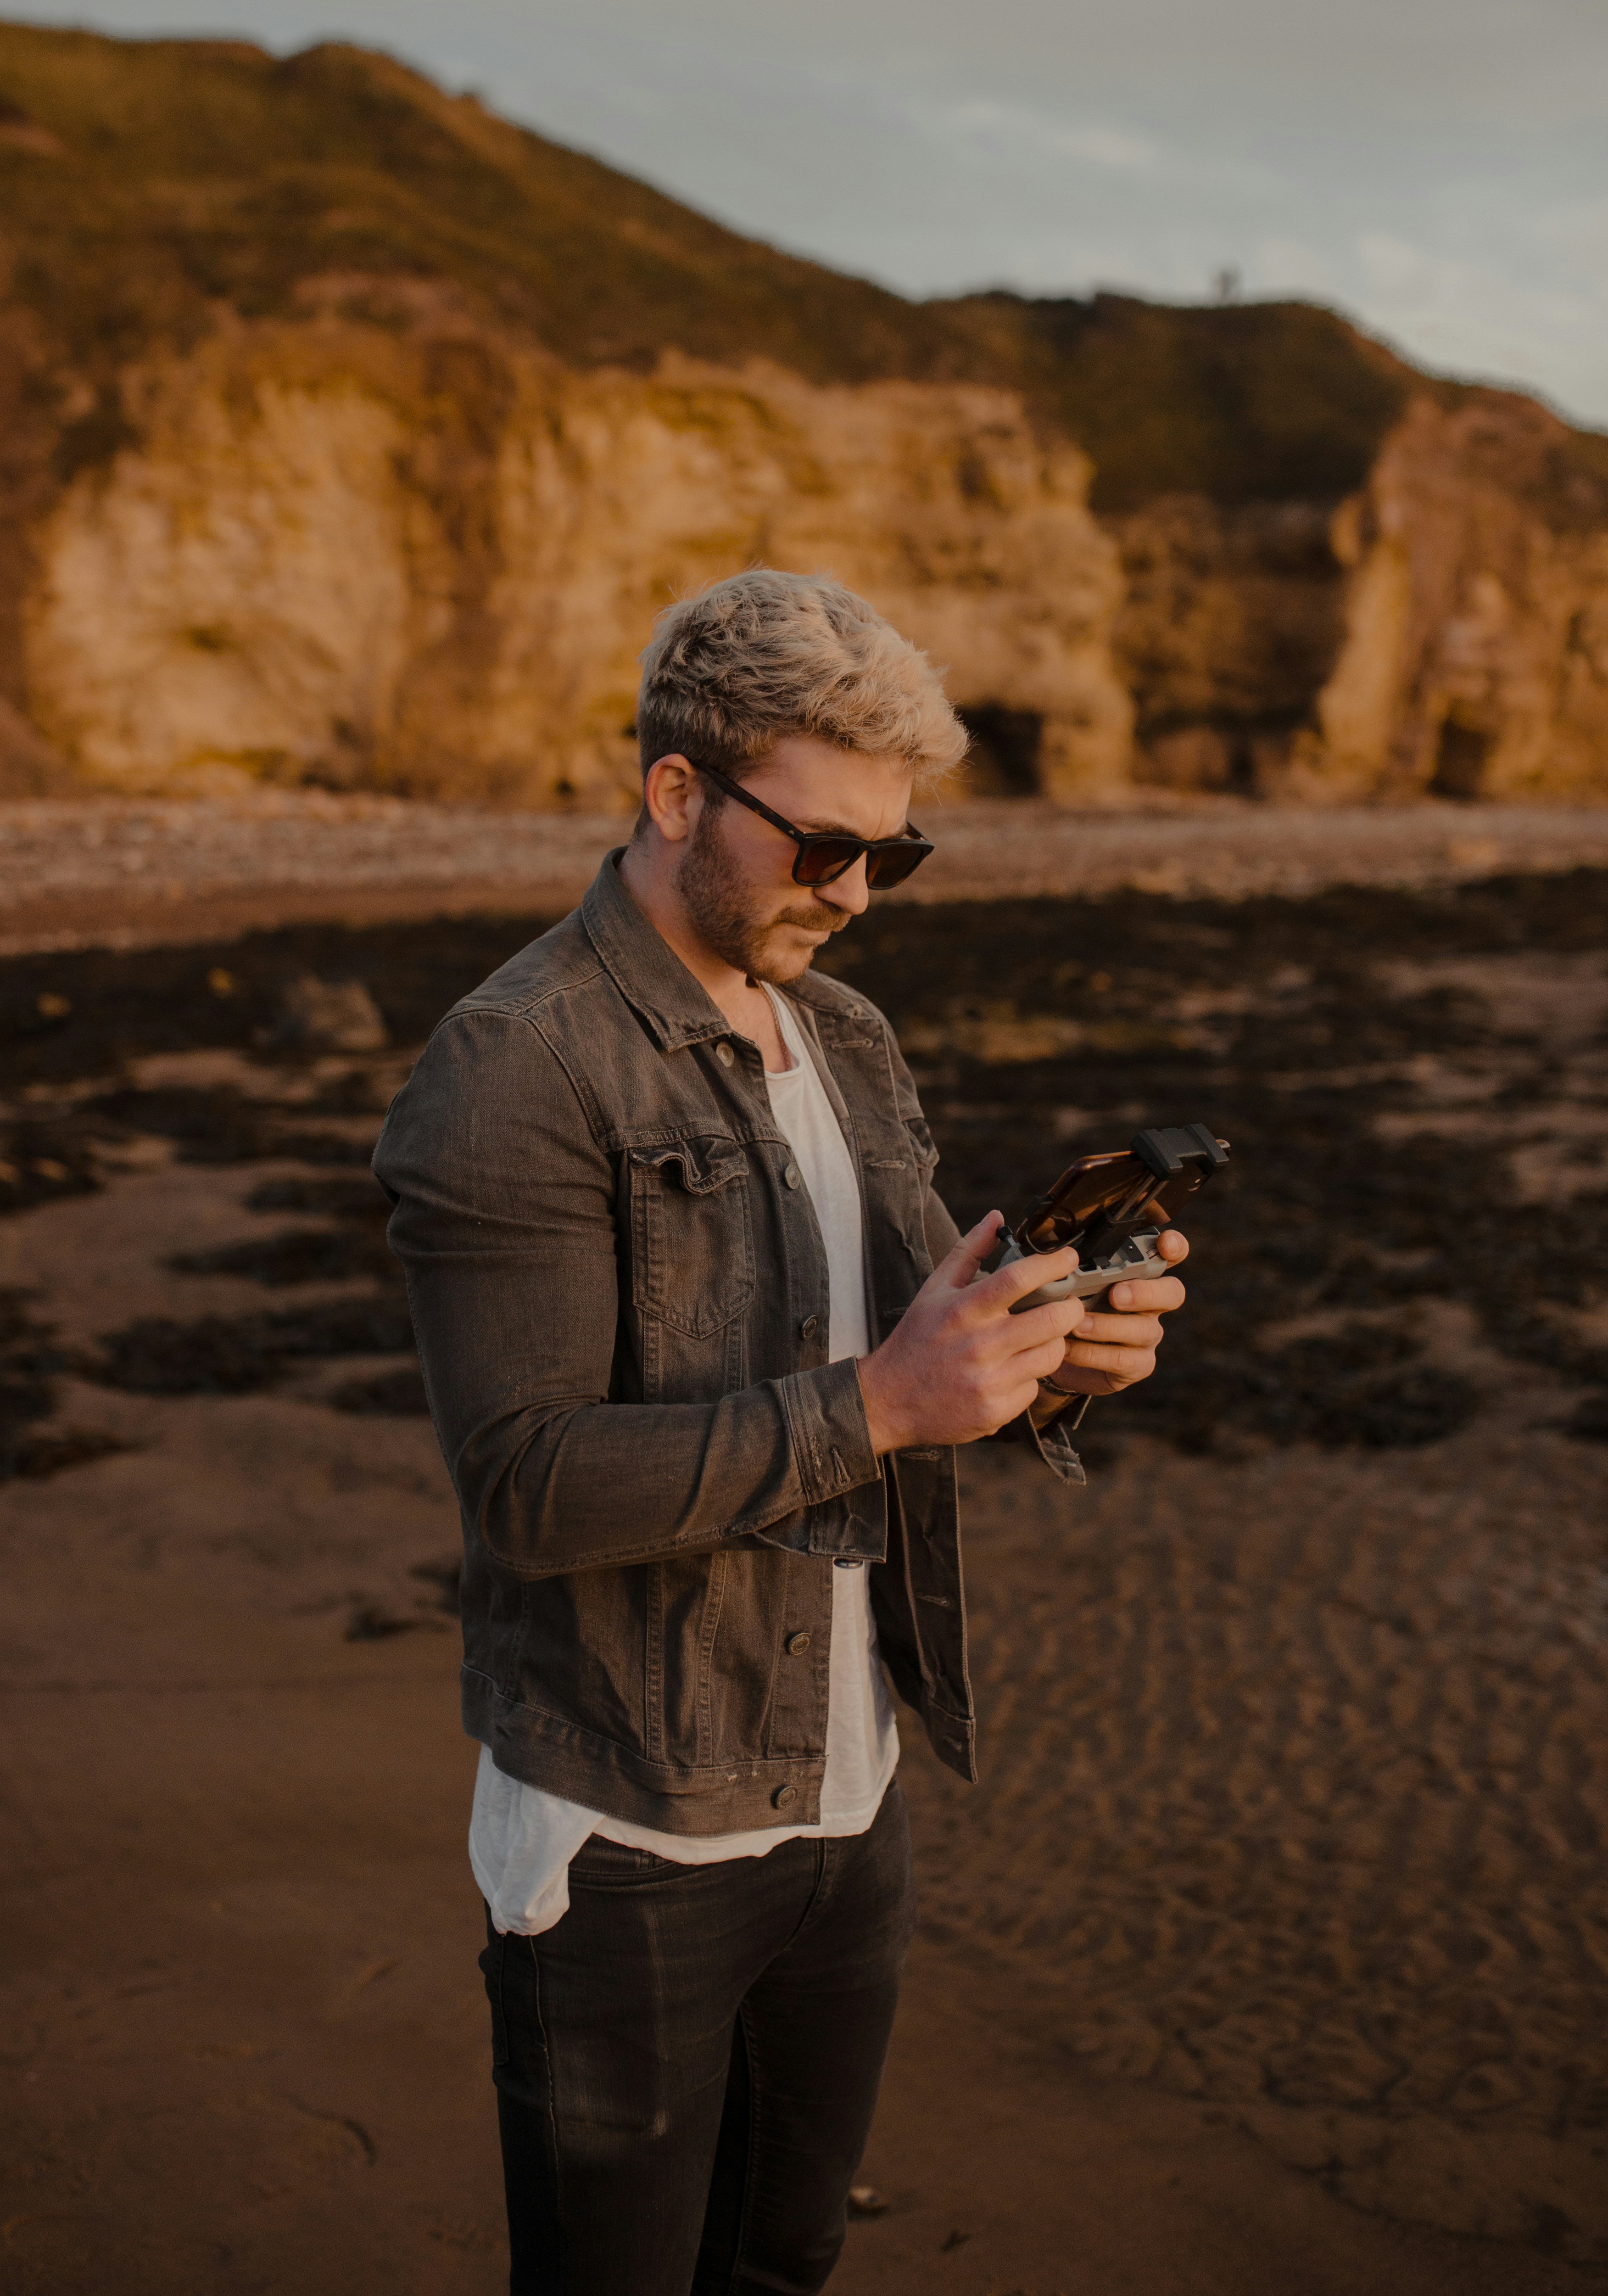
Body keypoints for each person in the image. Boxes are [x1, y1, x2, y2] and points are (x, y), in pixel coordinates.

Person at [373, 571, 1189, 2295]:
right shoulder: (515, 1067)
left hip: (850, 1788)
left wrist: (1051, 1360)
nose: (860, 896)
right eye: (825, 848)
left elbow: (897, 1355)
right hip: (631, 1831)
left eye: (895, 857)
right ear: (675, 795)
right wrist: (885, 1403)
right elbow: (524, 1488)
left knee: (784, 2267)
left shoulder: (842, 1031)